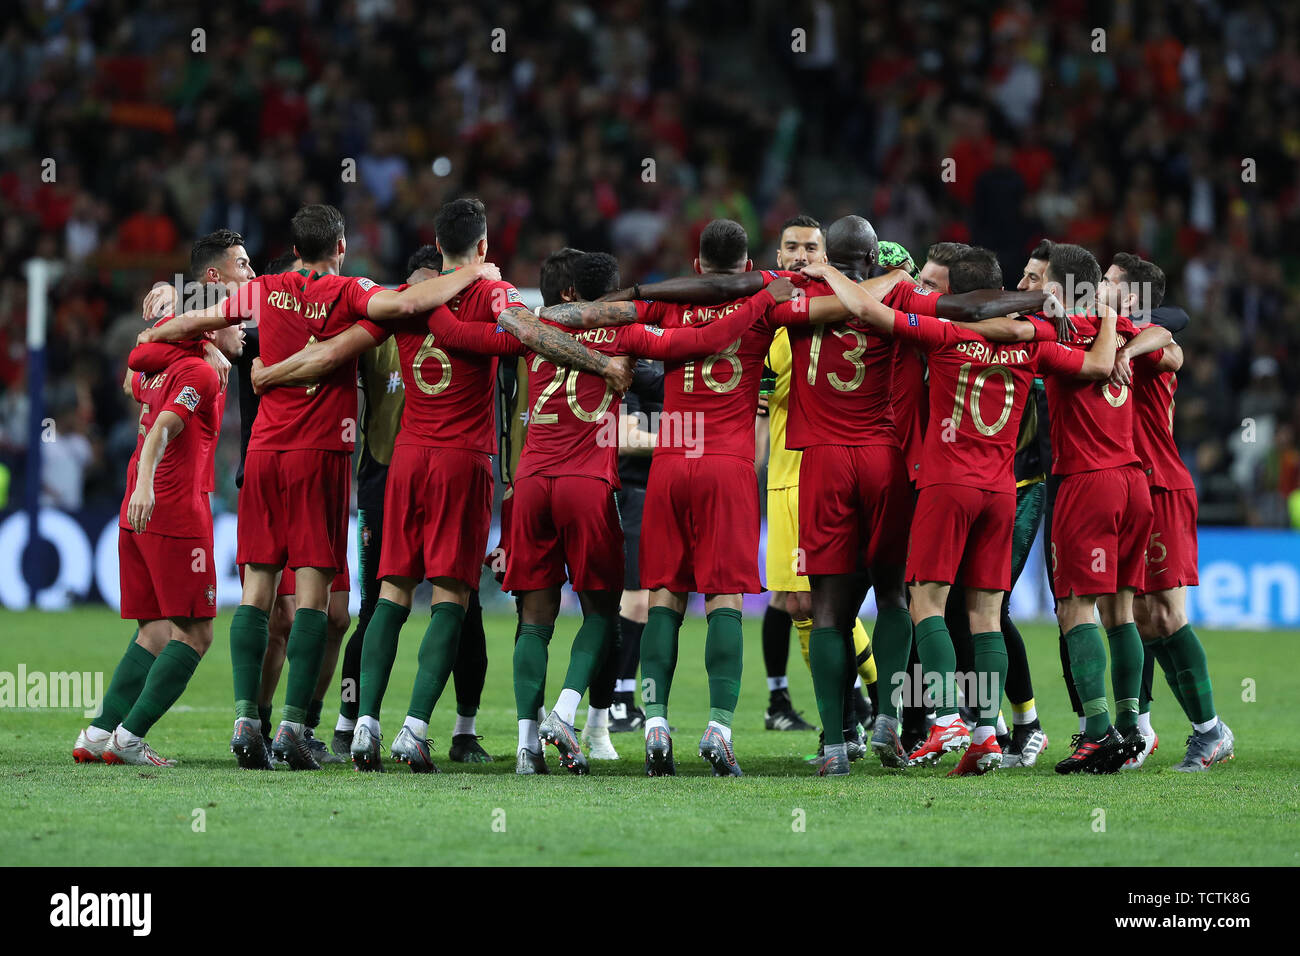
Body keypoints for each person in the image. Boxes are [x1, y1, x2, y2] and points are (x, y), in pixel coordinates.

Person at [137, 203, 502, 769]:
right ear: (340, 246)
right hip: (320, 455)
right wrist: (475, 272)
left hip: (261, 454)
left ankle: (244, 721)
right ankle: (290, 727)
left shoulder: (265, 289)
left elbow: (193, 323)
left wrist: (150, 337)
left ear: (293, 245)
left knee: (256, 593)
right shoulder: (351, 290)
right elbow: (406, 302)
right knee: (314, 598)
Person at [1101, 253, 1234, 771]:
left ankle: (1210, 731)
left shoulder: (1149, 341)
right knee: (1138, 616)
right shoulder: (1105, 332)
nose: (1098, 287)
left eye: (1109, 282)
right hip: (1127, 489)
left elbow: (1171, 342)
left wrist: (1129, 347)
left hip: (1161, 486)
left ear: (1132, 296)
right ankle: (1150, 728)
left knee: (1167, 615)